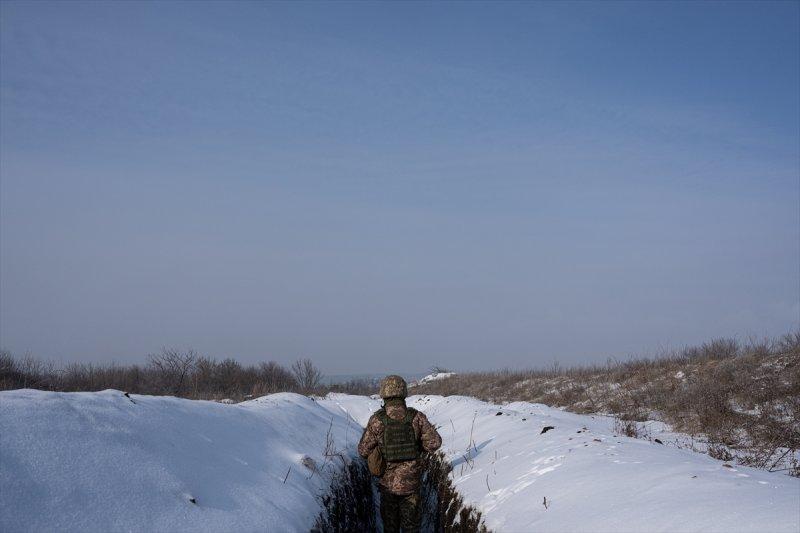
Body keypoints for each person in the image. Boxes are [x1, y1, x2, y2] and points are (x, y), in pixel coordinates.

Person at [358, 375, 442, 533]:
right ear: (404, 392)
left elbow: (363, 450)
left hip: (387, 487)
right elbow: (435, 442)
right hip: (411, 486)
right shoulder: (416, 417)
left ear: (384, 394)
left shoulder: (377, 420)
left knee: (390, 528)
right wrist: (418, 448)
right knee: (411, 528)